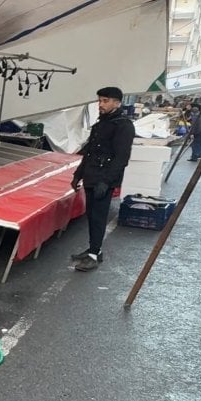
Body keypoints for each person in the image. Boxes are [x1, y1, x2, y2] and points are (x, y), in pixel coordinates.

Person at [71, 86, 135, 272]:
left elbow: (121, 158)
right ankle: (93, 250)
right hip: (92, 175)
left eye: (105, 101)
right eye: (100, 100)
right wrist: (78, 174)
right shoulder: (102, 123)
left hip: (103, 178)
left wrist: (106, 181)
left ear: (117, 102)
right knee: (91, 215)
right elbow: (89, 152)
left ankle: (94, 254)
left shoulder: (123, 125)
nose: (101, 104)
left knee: (98, 217)